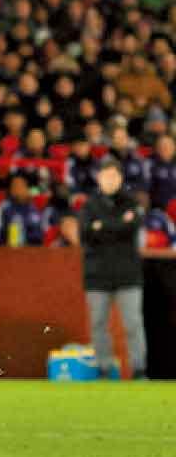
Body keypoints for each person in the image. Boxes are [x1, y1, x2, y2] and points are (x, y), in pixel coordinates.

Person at [78, 159, 148, 379]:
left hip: (128, 275)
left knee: (133, 324)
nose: (110, 180)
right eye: (106, 176)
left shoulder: (131, 202)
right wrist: (118, 225)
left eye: (114, 176)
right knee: (98, 324)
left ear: (120, 178)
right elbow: (85, 234)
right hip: (97, 275)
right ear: (98, 178)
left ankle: (138, 370)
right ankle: (104, 369)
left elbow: (132, 227)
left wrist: (102, 226)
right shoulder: (89, 205)